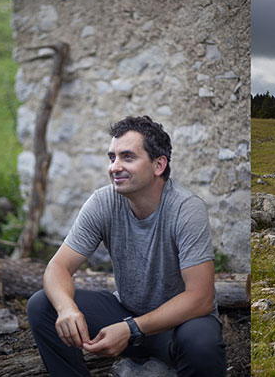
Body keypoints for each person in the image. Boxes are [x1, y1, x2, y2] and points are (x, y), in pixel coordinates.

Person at [27, 115, 225, 376]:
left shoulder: (186, 209)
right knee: (43, 305)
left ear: (158, 165)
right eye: (112, 157)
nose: (114, 167)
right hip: (126, 315)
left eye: (127, 157)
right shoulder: (103, 202)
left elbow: (200, 298)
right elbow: (57, 267)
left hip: (177, 327)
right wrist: (67, 310)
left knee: (203, 341)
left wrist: (131, 328)